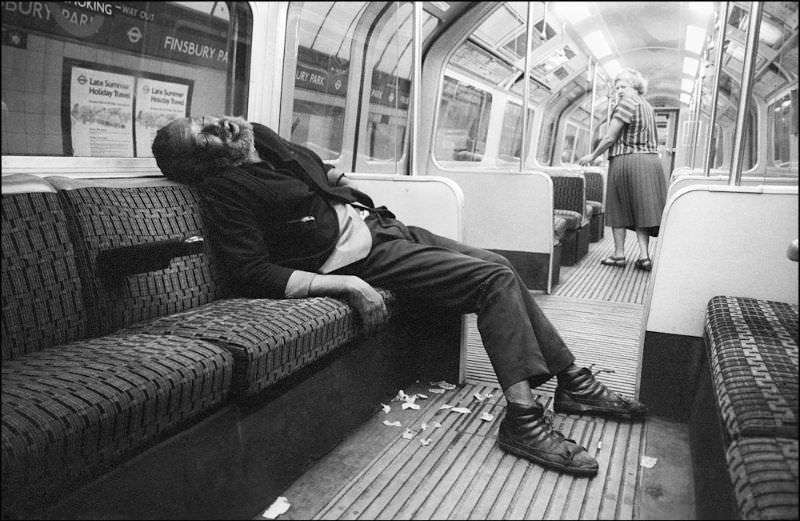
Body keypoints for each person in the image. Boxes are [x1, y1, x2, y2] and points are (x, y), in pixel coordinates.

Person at [152, 115, 647, 478]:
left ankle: (572, 383)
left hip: (377, 224)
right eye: (207, 134)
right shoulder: (225, 190)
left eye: (209, 118)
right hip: (349, 257)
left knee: (499, 265)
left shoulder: (259, 135)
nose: (221, 123)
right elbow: (249, 271)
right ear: (206, 161)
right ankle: (522, 418)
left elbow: (309, 169)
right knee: (490, 282)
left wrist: (331, 179)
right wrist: (343, 283)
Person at [578, 68, 667, 271]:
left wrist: (593, 155)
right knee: (642, 210)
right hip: (650, 162)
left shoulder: (627, 103)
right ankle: (644, 256)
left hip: (627, 161)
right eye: (617, 87)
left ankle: (619, 255)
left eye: (623, 86)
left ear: (635, 86)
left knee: (618, 208)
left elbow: (610, 137)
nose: (619, 90)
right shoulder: (646, 106)